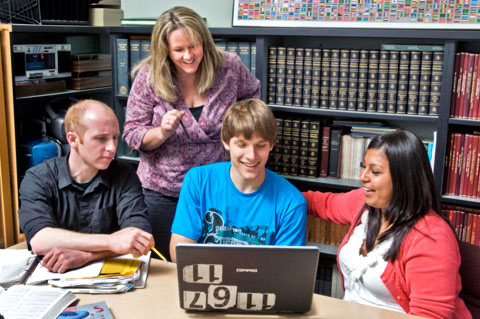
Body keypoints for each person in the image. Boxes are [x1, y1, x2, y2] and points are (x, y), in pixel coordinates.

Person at [123, 6, 261, 261]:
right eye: (179, 50)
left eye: (194, 46)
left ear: (204, 42)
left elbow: (252, 97)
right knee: (166, 269)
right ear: (165, 49)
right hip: (164, 193)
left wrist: (239, 129)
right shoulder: (149, 77)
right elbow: (132, 133)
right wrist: (162, 132)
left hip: (218, 188)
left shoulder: (229, 66)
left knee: (218, 267)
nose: (188, 55)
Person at [303, 130, 471, 318]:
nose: (363, 176)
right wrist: (269, 190)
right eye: (363, 166)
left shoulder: (432, 238)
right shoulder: (363, 202)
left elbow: (429, 316)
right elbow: (318, 203)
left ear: (403, 178)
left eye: (375, 171)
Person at [18, 100, 155, 274]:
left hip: (111, 278)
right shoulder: (37, 178)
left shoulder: (125, 175)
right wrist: (110, 242)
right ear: (73, 139)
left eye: (114, 137)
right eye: (101, 139)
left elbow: (138, 237)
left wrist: (86, 256)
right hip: (52, 278)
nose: (112, 148)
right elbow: (40, 240)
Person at [169, 99, 307, 262]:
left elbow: (283, 270)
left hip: (261, 287)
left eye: (260, 145)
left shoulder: (292, 202)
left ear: (271, 145)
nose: (251, 155)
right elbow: (180, 255)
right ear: (226, 142)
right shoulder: (198, 181)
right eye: (242, 145)